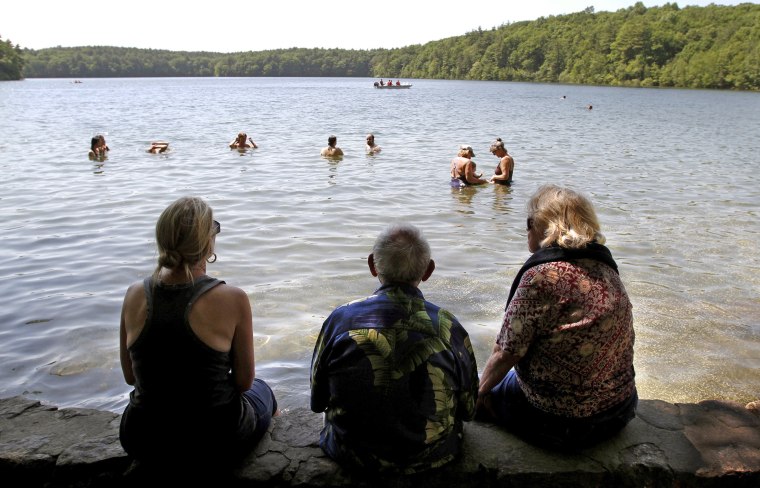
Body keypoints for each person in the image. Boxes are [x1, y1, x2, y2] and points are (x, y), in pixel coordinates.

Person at [477, 184, 637, 451]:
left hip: (562, 425)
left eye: (529, 223)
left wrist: (478, 395)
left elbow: (505, 352)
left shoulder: (542, 277)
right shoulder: (605, 266)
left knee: (483, 386)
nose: (526, 229)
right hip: (619, 410)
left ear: (542, 227)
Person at [119, 196, 278, 463]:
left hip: (142, 436)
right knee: (264, 391)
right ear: (207, 243)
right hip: (215, 438)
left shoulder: (135, 293)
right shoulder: (232, 298)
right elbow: (243, 382)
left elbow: (129, 376)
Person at [311, 223, 479, 473]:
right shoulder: (448, 326)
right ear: (428, 270)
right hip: (432, 457)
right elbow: (468, 409)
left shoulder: (340, 320)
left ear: (372, 265)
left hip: (352, 453)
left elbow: (317, 401)